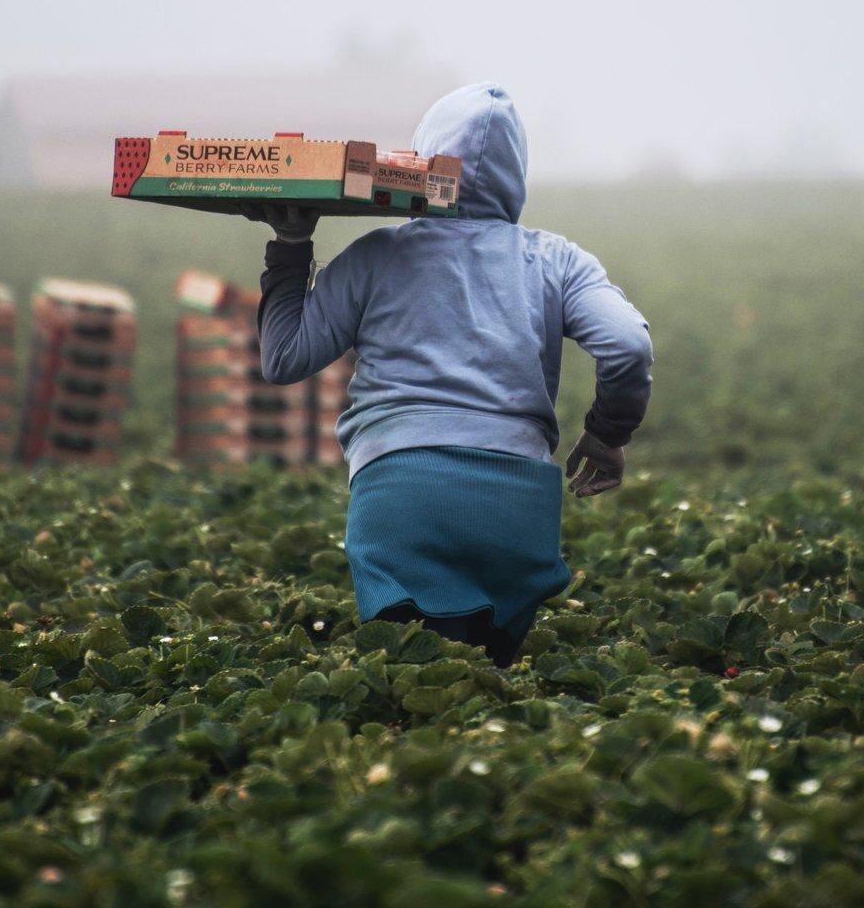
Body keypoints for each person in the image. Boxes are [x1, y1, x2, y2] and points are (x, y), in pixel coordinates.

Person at [245, 82, 653, 668]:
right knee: (494, 695)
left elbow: (284, 358)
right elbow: (627, 344)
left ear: (421, 162)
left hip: (398, 495)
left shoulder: (375, 255)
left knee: (411, 684)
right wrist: (609, 433)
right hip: (518, 508)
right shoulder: (558, 260)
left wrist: (289, 244)